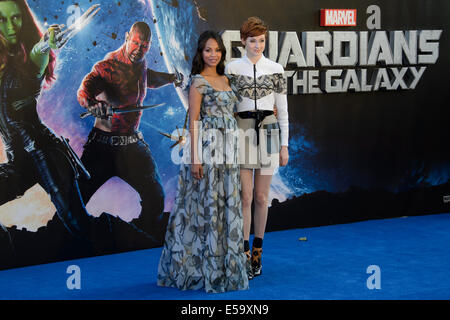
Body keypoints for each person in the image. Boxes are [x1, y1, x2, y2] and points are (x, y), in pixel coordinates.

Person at [157, 30, 249, 293]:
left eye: (217, 50)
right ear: (200, 53)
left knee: (226, 205)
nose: (213, 54)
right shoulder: (197, 82)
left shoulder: (227, 79)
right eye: (208, 50)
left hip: (228, 153)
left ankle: (227, 268)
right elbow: (194, 122)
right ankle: (199, 268)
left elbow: (235, 114)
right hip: (207, 151)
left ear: (222, 52)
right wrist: (195, 159)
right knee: (204, 207)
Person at [77, 21, 183, 243]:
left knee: (155, 198)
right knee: (75, 199)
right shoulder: (107, 66)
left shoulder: (140, 64)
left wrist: (172, 78)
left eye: (144, 46)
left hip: (132, 145)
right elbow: (85, 89)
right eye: (135, 43)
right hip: (102, 147)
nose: (139, 49)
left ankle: (142, 243)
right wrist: (91, 103)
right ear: (127, 37)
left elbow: (148, 78)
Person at [0, 0, 91, 239]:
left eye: (16, 18)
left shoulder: (28, 62)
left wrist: (46, 43)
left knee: (79, 225)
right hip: (18, 163)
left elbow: (39, 52)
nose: (11, 27)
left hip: (45, 154)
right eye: (2, 19)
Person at [225, 16, 289, 279]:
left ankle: (257, 254)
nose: (258, 45)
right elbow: (227, 107)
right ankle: (241, 254)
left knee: (263, 198)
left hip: (271, 129)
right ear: (243, 41)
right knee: (246, 197)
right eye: (253, 40)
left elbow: (283, 111)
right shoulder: (231, 68)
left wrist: (284, 145)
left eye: (262, 40)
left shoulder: (276, 68)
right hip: (242, 129)